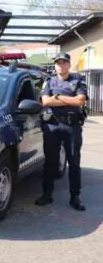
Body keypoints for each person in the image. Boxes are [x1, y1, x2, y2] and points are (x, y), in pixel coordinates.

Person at [35, 53, 88, 211]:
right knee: (50, 161)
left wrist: (57, 97)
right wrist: (67, 98)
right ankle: (47, 194)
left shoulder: (78, 80)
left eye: (64, 62)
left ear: (69, 65)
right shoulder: (49, 81)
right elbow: (46, 101)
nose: (61, 65)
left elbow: (80, 100)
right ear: (55, 65)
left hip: (72, 127)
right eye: (58, 63)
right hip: (52, 126)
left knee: (73, 162)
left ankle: (75, 197)